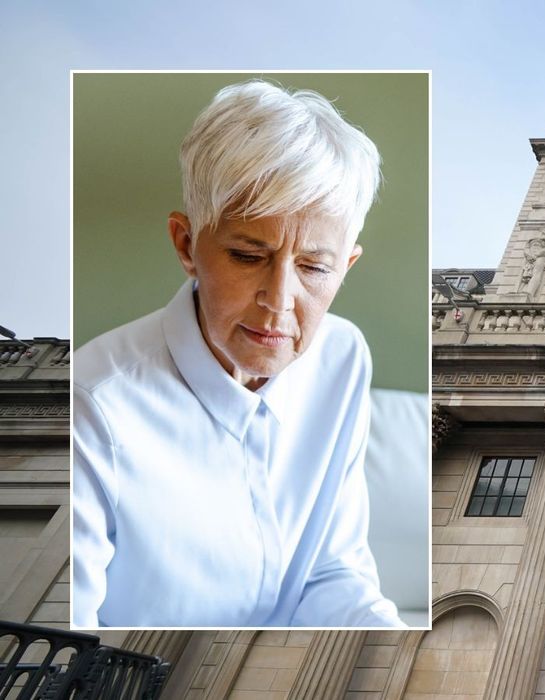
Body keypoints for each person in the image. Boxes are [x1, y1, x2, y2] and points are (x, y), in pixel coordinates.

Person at [72, 80, 404, 627]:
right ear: (186, 246)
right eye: (249, 256)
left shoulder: (343, 356)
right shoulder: (91, 406)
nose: (279, 301)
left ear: (346, 266)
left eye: (314, 268)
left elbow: (333, 571)